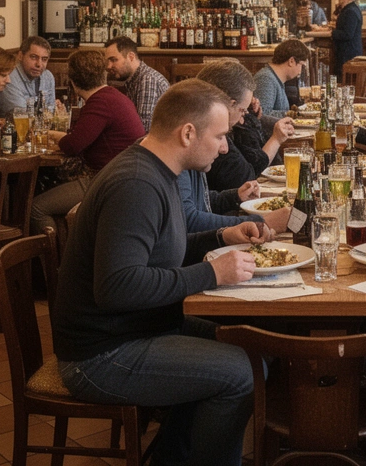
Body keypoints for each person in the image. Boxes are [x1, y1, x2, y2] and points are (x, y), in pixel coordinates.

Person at [53, 79, 270, 466]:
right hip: (101, 354)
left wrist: (222, 235)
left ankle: (173, 457)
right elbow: (117, 287)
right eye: (220, 136)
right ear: (188, 133)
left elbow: (165, 246)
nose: (224, 147)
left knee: (253, 347)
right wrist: (212, 273)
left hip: (141, 326)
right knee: (243, 372)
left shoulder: (159, 169)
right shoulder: (136, 184)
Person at [32, 50, 146, 232]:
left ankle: (57, 250)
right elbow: (79, 138)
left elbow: (73, 145)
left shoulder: (100, 103)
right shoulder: (113, 96)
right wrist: (58, 135)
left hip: (107, 180)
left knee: (37, 208)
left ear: (73, 81)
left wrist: (53, 136)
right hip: (125, 178)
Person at [196, 60, 296, 192]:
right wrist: (275, 138)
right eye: (243, 110)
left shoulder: (229, 127)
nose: (224, 148)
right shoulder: (211, 134)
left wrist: (249, 118)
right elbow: (246, 176)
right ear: (230, 105)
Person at [104, 36, 169, 133]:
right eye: (108, 61)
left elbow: (143, 130)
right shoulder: (134, 79)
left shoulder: (147, 80)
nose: (109, 66)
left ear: (131, 57)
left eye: (113, 60)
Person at [253, 38, 310, 116]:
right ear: (291, 61)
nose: (301, 70)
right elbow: (262, 114)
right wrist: (293, 114)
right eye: (302, 65)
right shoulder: (266, 79)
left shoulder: (275, 78)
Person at [3, 36, 57, 113]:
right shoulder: (9, 77)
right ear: (20, 56)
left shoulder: (48, 77)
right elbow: (22, 114)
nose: (39, 64)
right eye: (34, 57)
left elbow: (51, 112)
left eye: (44, 59)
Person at [330, 0, 363, 77]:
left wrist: (332, 33)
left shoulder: (351, 11)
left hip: (348, 53)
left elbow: (348, 34)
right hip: (347, 52)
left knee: (346, 79)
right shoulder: (349, 9)